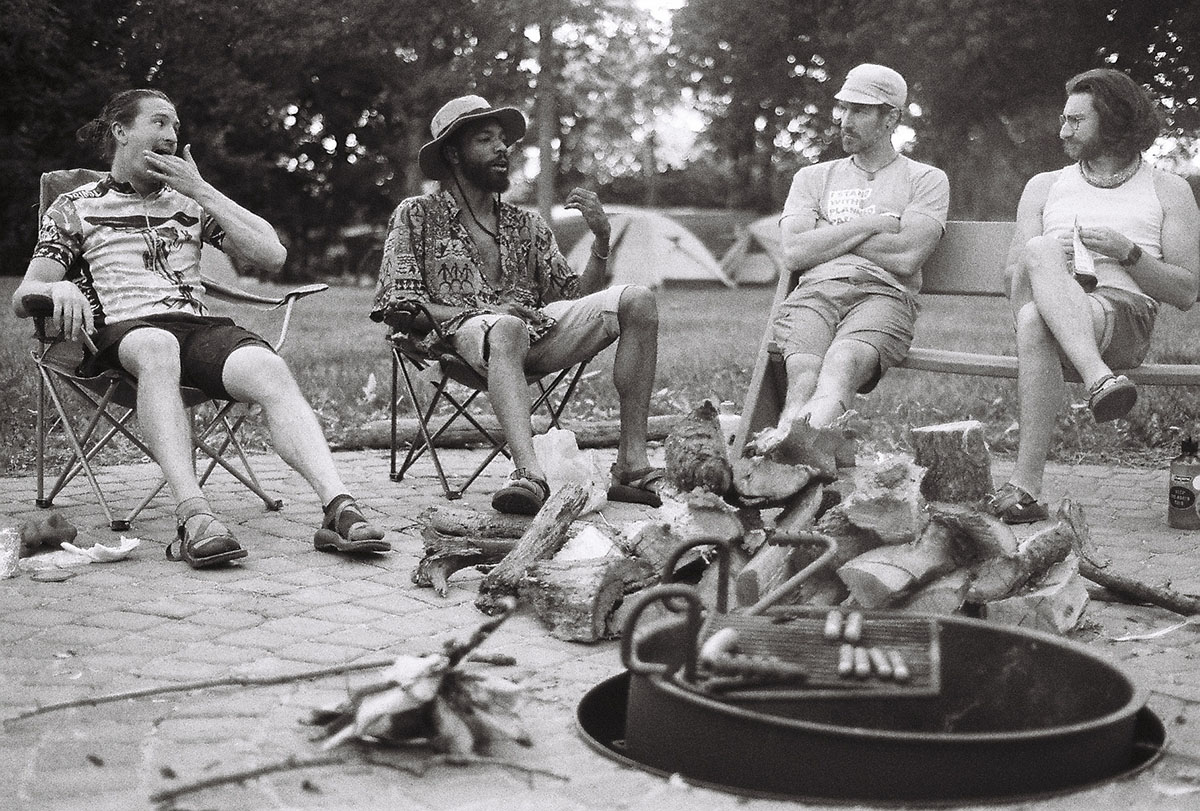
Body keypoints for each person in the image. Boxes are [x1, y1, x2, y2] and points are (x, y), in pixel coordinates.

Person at [12, 89, 390, 568]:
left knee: (267, 368)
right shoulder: (74, 206)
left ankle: (339, 508)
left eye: (176, 127)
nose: (172, 137)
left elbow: (272, 256)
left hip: (197, 327)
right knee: (157, 346)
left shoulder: (189, 204)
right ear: (121, 131)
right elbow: (25, 295)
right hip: (123, 333)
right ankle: (196, 517)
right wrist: (57, 289)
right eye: (160, 123)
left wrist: (203, 191)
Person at [370, 95, 661, 515]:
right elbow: (400, 306)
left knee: (637, 300)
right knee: (506, 329)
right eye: (485, 139)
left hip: (536, 335)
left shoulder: (526, 224)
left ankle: (632, 463)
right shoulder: (416, 215)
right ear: (453, 153)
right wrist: (486, 314)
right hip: (455, 343)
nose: (501, 148)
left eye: (503, 140)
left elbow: (572, 299)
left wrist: (600, 242)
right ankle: (529, 474)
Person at [987, 68, 1200, 524]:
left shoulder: (1168, 189)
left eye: (1076, 121)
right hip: (1052, 317)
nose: (1063, 130)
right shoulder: (1045, 186)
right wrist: (1050, 259)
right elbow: (1013, 280)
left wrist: (1128, 253)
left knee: (1035, 311)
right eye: (1063, 119)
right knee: (1038, 272)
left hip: (1124, 318)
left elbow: (1186, 291)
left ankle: (1024, 484)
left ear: (1115, 121)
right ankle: (1099, 381)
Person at [760, 64, 950, 451]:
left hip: (884, 296)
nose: (845, 121)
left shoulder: (925, 179)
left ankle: (784, 455)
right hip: (816, 293)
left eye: (859, 111)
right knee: (804, 374)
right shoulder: (813, 178)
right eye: (843, 109)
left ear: (891, 118)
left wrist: (829, 231)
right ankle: (791, 451)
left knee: (842, 363)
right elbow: (794, 251)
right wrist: (871, 223)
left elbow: (906, 256)